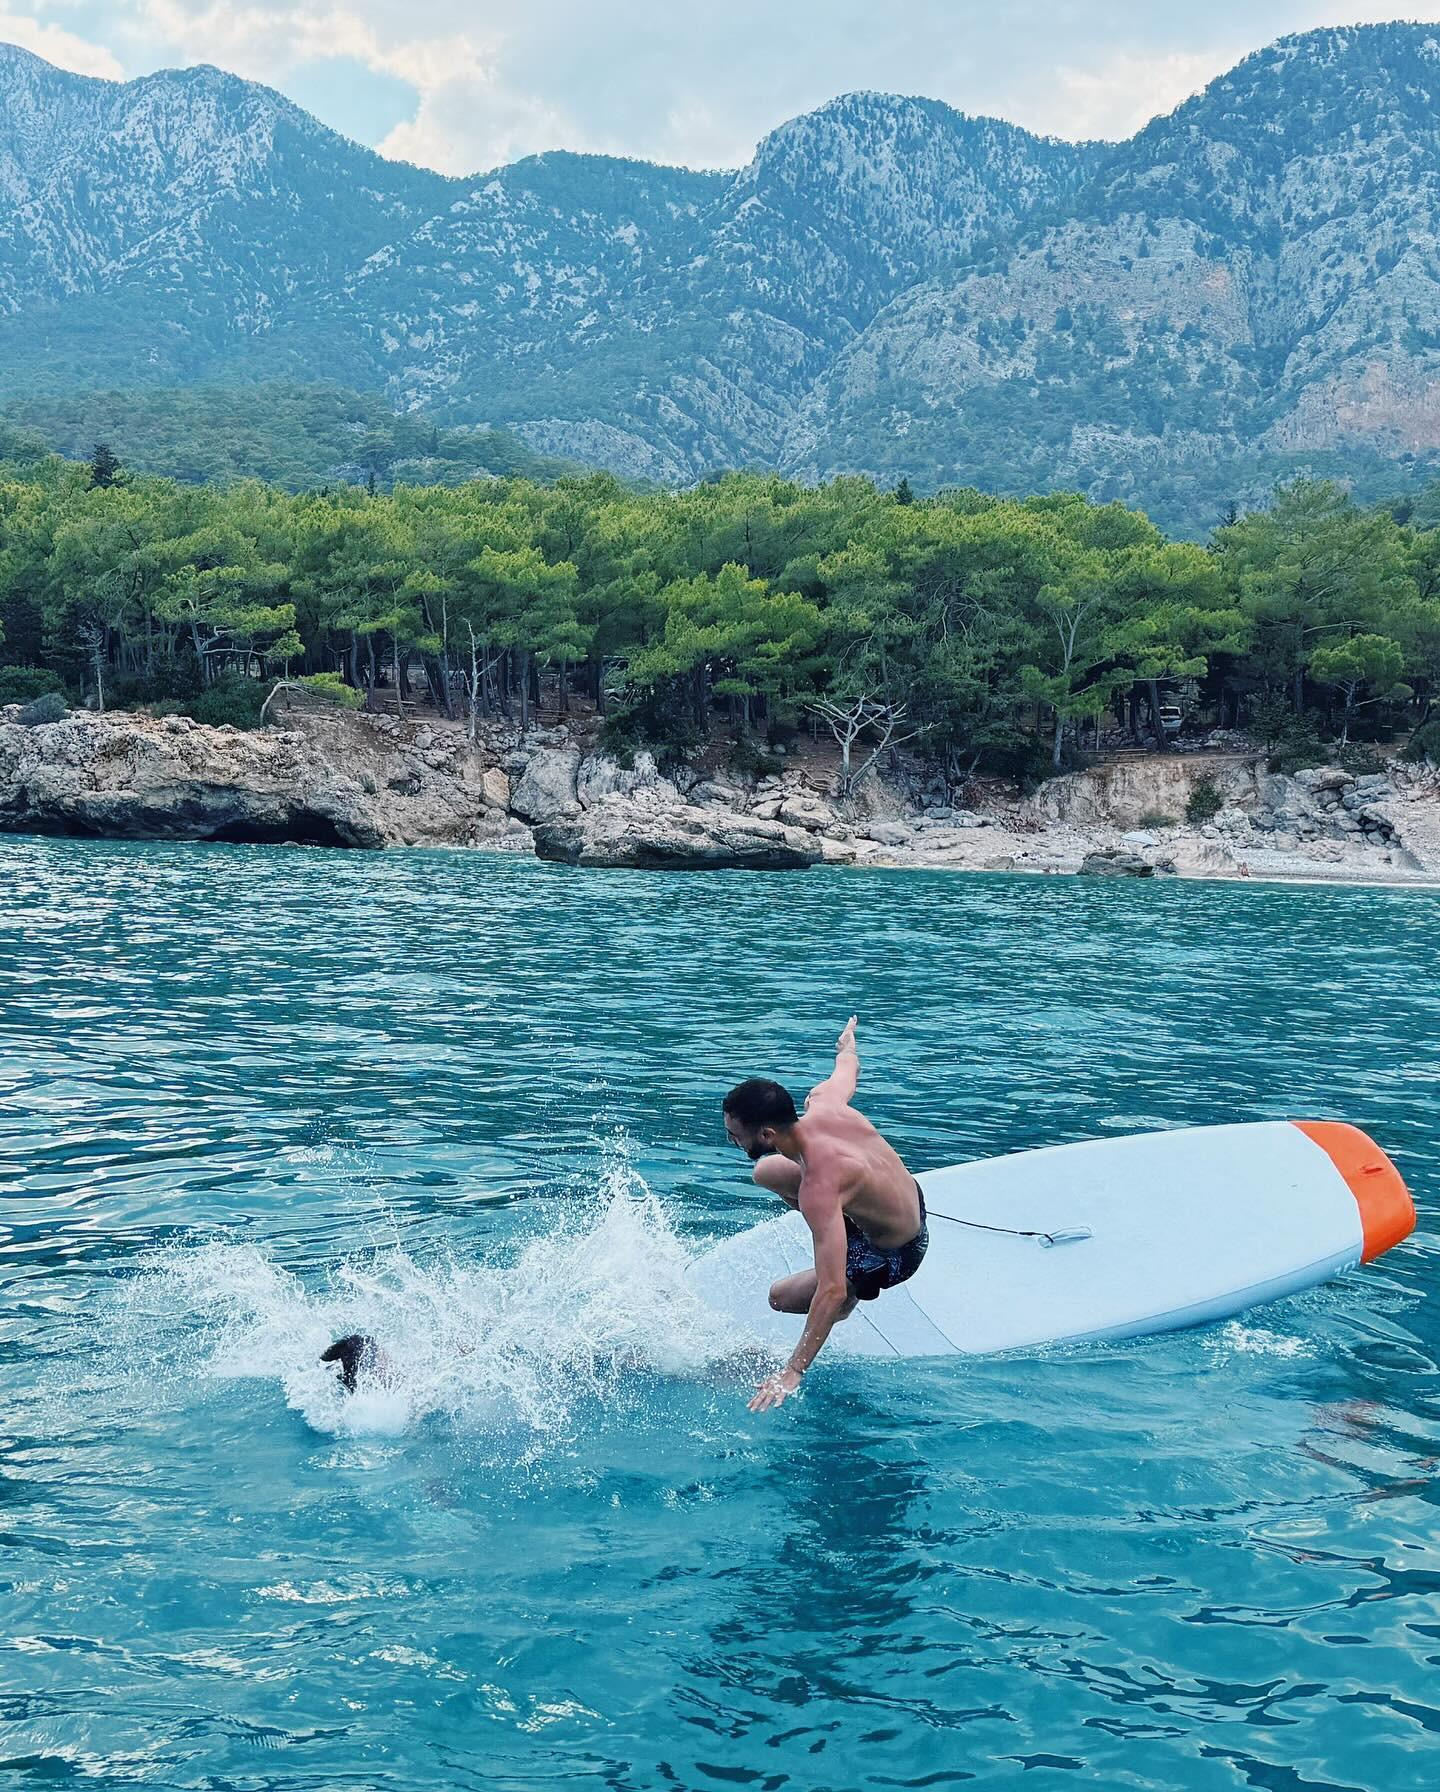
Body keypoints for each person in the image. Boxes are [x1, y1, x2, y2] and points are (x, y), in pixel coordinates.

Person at [723, 1016, 927, 1412]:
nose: (731, 1139)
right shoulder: (823, 1102)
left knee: (781, 1297)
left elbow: (828, 1290)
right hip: (906, 1198)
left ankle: (859, 1285)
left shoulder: (820, 1186)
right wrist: (846, 1045)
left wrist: (792, 1371)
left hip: (896, 1251)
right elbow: (846, 1069)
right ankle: (849, 1232)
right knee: (766, 1171)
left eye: (736, 1134)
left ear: (766, 1134)